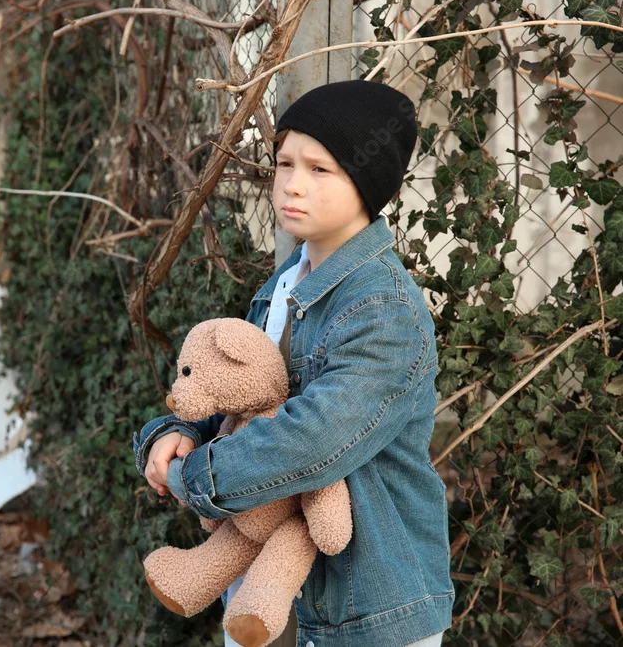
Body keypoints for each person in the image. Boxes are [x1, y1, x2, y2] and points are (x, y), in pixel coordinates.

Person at [132, 80, 454, 647]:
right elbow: (245, 392)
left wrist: (199, 477)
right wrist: (178, 433)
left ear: (368, 183)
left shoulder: (384, 309)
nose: (292, 184)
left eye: (319, 169)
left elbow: (313, 440)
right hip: (264, 596)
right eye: (284, 163)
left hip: (365, 612)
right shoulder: (287, 281)